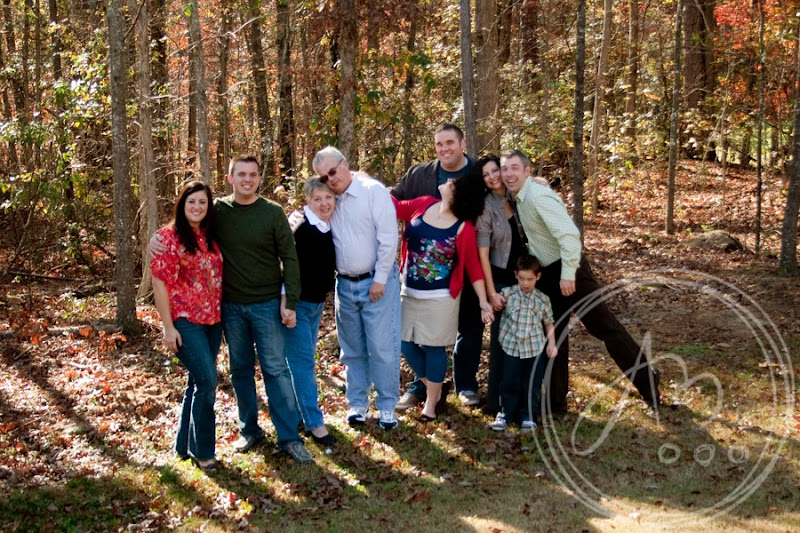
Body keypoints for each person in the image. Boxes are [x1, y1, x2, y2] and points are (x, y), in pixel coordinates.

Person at [150, 155, 313, 464]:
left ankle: (289, 437)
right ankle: (249, 430)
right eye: (241, 174)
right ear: (230, 178)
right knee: (239, 370)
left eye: (252, 174)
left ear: (259, 178)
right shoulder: (219, 211)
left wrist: (289, 300)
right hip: (229, 308)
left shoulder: (271, 212)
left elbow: (290, 258)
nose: (247, 179)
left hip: (264, 305)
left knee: (275, 369)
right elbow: (179, 228)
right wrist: (153, 241)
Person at [500, 149, 661, 413]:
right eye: (505, 168)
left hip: (571, 270)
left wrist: (567, 275)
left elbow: (569, 236)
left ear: (527, 171)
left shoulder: (538, 196)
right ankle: (555, 403)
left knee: (605, 328)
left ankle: (648, 383)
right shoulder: (519, 198)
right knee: (555, 336)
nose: (509, 174)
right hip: (548, 275)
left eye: (514, 168)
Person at [391, 123, 484, 409]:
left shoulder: (479, 173)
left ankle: (465, 384)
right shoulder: (420, 175)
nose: (444, 149)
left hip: (470, 260)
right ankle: (425, 386)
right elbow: (394, 199)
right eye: (439, 144)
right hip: (418, 279)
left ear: (462, 143)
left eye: (450, 143)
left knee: (469, 328)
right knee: (415, 337)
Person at [312, 146, 402, 430]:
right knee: (351, 350)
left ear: (345, 164)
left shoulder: (372, 192)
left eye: (332, 172)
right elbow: (309, 218)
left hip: (377, 282)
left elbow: (389, 237)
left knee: (383, 347)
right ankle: (357, 404)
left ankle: (387, 406)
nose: (330, 179)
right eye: (323, 178)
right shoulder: (329, 200)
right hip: (345, 285)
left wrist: (380, 278)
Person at [151, 180, 223, 472]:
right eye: (191, 201)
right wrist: (168, 328)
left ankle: (184, 446)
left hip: (213, 321)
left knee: (196, 382)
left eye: (202, 202)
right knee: (207, 381)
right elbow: (159, 284)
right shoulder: (167, 238)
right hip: (185, 321)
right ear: (182, 204)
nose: (197, 207)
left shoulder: (210, 236)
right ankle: (203, 452)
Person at [470, 154, 529, 414]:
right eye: (486, 174)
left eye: (496, 171)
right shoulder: (485, 207)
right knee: (502, 343)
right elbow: (482, 255)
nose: (493, 177)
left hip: (525, 278)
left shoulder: (518, 196)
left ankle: (523, 402)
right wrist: (491, 292)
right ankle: (497, 403)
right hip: (501, 279)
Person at [282, 177, 336, 447]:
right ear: (307, 201)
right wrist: (287, 304)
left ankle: (298, 414)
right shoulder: (300, 227)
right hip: (297, 304)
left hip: (316, 304)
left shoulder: (330, 225)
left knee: (301, 361)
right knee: (302, 363)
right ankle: (314, 422)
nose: (324, 203)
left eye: (328, 197)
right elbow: (284, 266)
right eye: (317, 199)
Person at [490, 255, 557, 432]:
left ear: (538, 277)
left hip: (534, 348)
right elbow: (494, 306)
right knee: (508, 381)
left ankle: (528, 416)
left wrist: (552, 343)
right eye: (521, 279)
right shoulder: (507, 294)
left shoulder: (543, 299)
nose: (525, 283)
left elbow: (548, 322)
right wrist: (490, 308)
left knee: (531, 383)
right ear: (516, 275)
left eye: (530, 279)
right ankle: (505, 414)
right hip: (511, 347)